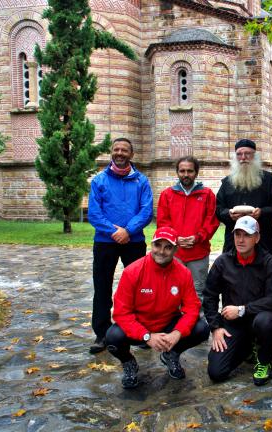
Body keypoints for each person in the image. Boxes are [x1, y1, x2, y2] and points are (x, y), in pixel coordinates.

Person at [105, 227, 209, 388]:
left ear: (176, 249)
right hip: (139, 325)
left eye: (168, 247)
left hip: (167, 324)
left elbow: (192, 308)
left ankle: (171, 354)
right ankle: (128, 362)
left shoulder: (183, 273)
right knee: (112, 338)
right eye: (157, 245)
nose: (161, 251)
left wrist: (177, 333)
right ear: (151, 245)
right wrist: (147, 336)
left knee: (201, 328)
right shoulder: (132, 271)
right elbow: (121, 313)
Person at [87, 137, 153, 354]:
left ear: (131, 154)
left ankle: (140, 330)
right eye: (116, 149)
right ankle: (102, 333)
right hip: (105, 242)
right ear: (111, 153)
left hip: (133, 241)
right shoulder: (99, 181)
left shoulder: (141, 181)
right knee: (102, 286)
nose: (120, 153)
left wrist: (128, 231)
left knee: (140, 287)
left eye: (125, 150)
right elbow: (95, 214)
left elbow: (146, 211)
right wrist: (115, 232)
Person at [203, 216, 272, 386]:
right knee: (216, 372)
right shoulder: (222, 262)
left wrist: (242, 309)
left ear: (257, 238)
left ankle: (264, 359)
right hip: (233, 323)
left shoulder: (270, 263)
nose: (241, 240)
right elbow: (209, 295)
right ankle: (248, 346)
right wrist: (216, 327)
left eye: (247, 235)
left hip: (260, 320)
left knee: (265, 321)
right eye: (237, 234)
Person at [156, 156, 220, 298]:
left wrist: (198, 237)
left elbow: (212, 221)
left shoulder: (207, 194)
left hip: (198, 252)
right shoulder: (167, 194)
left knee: (198, 291)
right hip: (173, 252)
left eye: (190, 171)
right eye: (182, 171)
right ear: (177, 172)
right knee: (173, 290)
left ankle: (198, 319)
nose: (186, 174)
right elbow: (162, 221)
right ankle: (174, 320)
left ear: (196, 173)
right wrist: (175, 238)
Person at [216, 139, 272, 256]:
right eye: (239, 154)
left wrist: (262, 213)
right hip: (233, 244)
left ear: (255, 156)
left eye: (247, 153)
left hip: (263, 242)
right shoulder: (227, 182)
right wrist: (229, 214)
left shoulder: (268, 179)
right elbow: (218, 208)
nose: (243, 157)